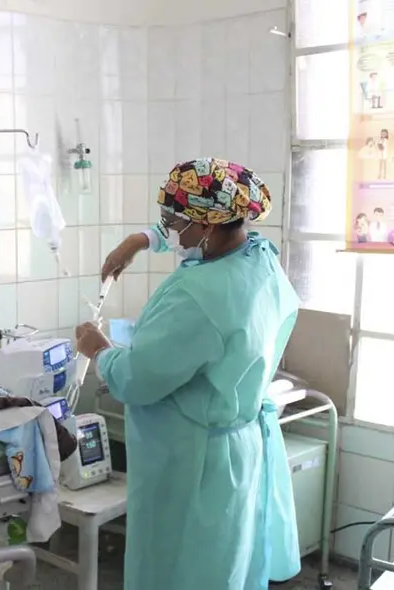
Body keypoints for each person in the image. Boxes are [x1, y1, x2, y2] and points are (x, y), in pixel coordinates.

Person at [78, 158, 301, 590]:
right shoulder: (259, 260)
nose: (168, 229)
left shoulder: (197, 297)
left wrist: (99, 350)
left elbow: (137, 378)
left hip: (191, 460)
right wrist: (140, 240)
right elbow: (184, 238)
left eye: (172, 220)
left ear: (208, 224)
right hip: (236, 448)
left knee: (180, 569)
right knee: (226, 565)